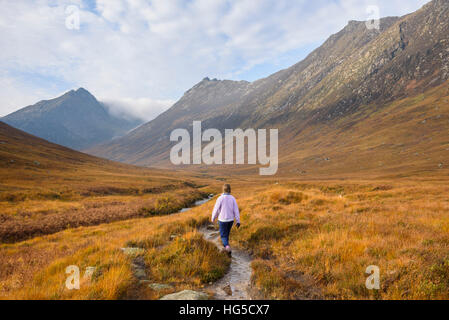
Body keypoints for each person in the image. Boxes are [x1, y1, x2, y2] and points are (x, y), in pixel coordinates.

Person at [211, 184, 240, 253]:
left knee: (223, 236)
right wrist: (238, 221)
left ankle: (227, 248)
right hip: (230, 220)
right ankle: (226, 247)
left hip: (222, 220)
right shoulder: (232, 198)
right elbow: (236, 210)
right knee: (226, 234)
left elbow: (216, 209)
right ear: (230, 189)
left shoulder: (220, 198)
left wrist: (213, 218)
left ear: (223, 189)